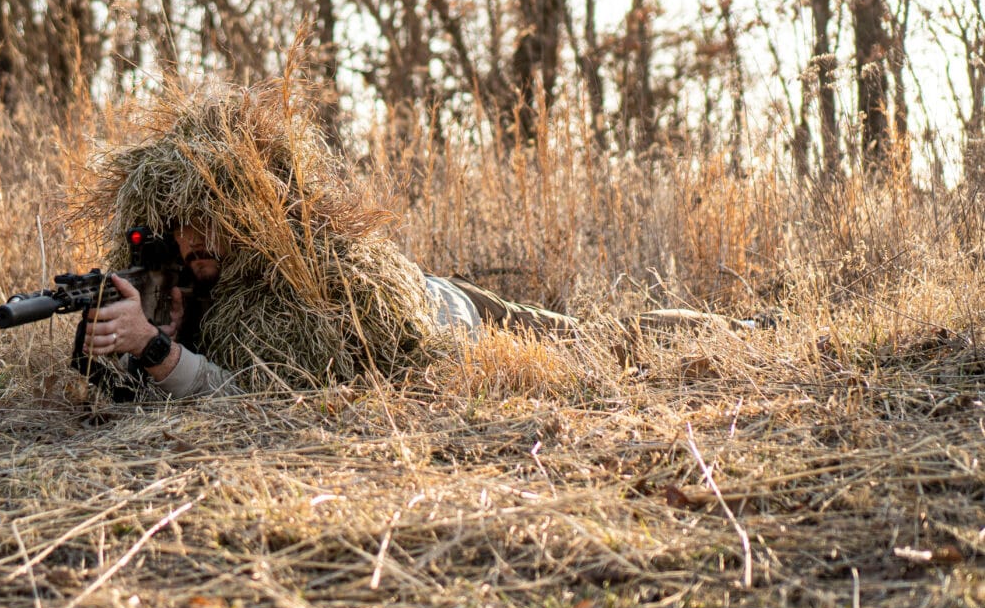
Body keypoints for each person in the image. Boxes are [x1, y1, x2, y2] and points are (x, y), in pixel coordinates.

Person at [72, 83, 752, 400]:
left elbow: (264, 395)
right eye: (180, 226)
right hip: (430, 295)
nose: (194, 241)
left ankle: (737, 326)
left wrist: (155, 349)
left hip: (453, 315)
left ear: (251, 214)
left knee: (595, 335)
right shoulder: (191, 284)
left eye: (209, 218)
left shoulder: (301, 279)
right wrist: (135, 338)